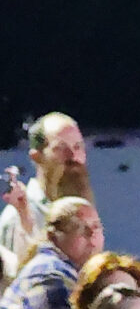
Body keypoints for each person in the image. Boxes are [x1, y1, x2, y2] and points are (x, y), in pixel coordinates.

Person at [0, 113, 87, 273]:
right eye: (61, 149)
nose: (73, 157)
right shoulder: (17, 218)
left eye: (78, 147)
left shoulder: (85, 210)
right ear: (36, 157)